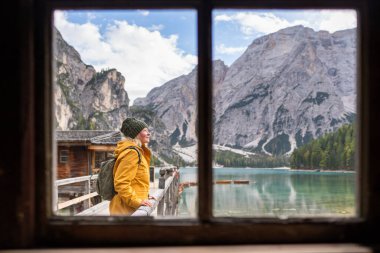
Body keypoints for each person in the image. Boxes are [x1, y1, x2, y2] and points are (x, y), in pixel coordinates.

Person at [109, 117, 154, 215]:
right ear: (136, 134)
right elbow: (121, 183)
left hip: (130, 207)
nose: (148, 133)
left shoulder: (137, 151)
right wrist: (137, 201)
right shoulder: (132, 153)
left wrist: (144, 195)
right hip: (125, 210)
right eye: (145, 130)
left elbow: (137, 180)